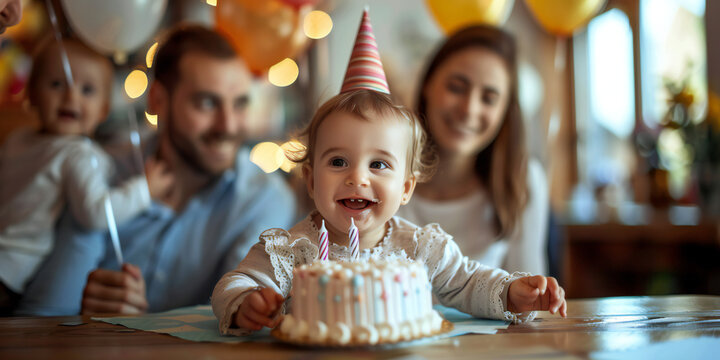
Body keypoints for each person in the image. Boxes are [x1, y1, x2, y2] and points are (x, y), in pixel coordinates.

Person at [211, 11, 564, 336]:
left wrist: (509, 293)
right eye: (337, 162)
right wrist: (246, 302)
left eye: (378, 164)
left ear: (407, 187)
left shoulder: (421, 248)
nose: (358, 178)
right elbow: (234, 283)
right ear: (311, 179)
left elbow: (469, 282)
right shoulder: (291, 250)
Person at [15, 25, 296, 315]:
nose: (228, 126)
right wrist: (84, 317)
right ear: (158, 99)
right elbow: (41, 312)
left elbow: (242, 316)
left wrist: (142, 327)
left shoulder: (263, 198)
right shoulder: (99, 170)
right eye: (207, 103)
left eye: (239, 104)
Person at [0, 37, 171, 315]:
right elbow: (95, 214)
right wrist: (145, 190)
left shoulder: (16, 140)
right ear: (30, 93)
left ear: (103, 110)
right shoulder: (77, 154)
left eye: (87, 90)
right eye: (57, 84)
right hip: (12, 269)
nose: (71, 97)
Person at [397, 25, 550, 276]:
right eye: (456, 87)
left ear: (505, 112)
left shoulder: (524, 181)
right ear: (428, 85)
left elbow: (532, 299)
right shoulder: (380, 172)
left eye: (489, 98)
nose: (469, 109)